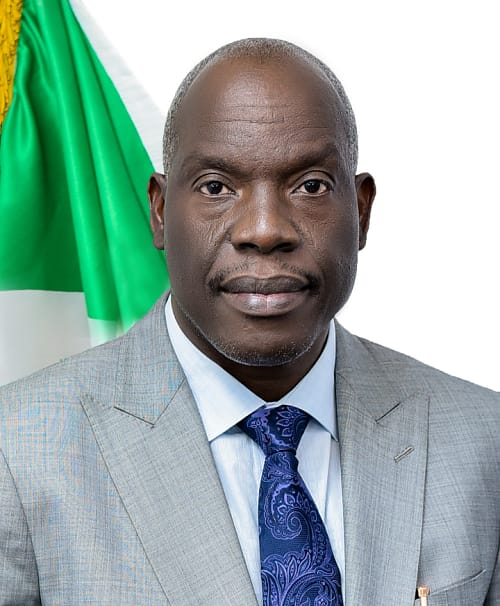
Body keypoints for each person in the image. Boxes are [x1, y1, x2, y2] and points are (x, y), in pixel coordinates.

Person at [0, 38, 498, 606]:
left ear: (361, 210)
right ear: (158, 211)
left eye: (310, 185)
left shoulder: (484, 439)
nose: (264, 230)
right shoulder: (17, 451)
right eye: (216, 187)